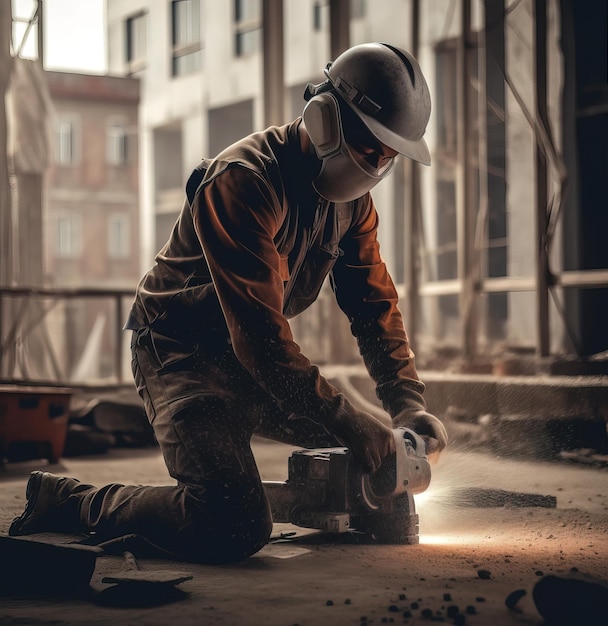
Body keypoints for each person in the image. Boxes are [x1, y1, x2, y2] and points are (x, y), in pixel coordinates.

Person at [9, 42, 447, 563]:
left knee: (364, 436)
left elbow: (374, 307)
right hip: (180, 355)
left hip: (251, 362)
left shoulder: (352, 207)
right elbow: (262, 343)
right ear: (325, 117)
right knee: (233, 522)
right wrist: (351, 421)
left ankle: (331, 498)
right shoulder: (243, 181)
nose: (376, 166)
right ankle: (71, 502)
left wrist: (407, 404)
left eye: (388, 157)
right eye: (370, 148)